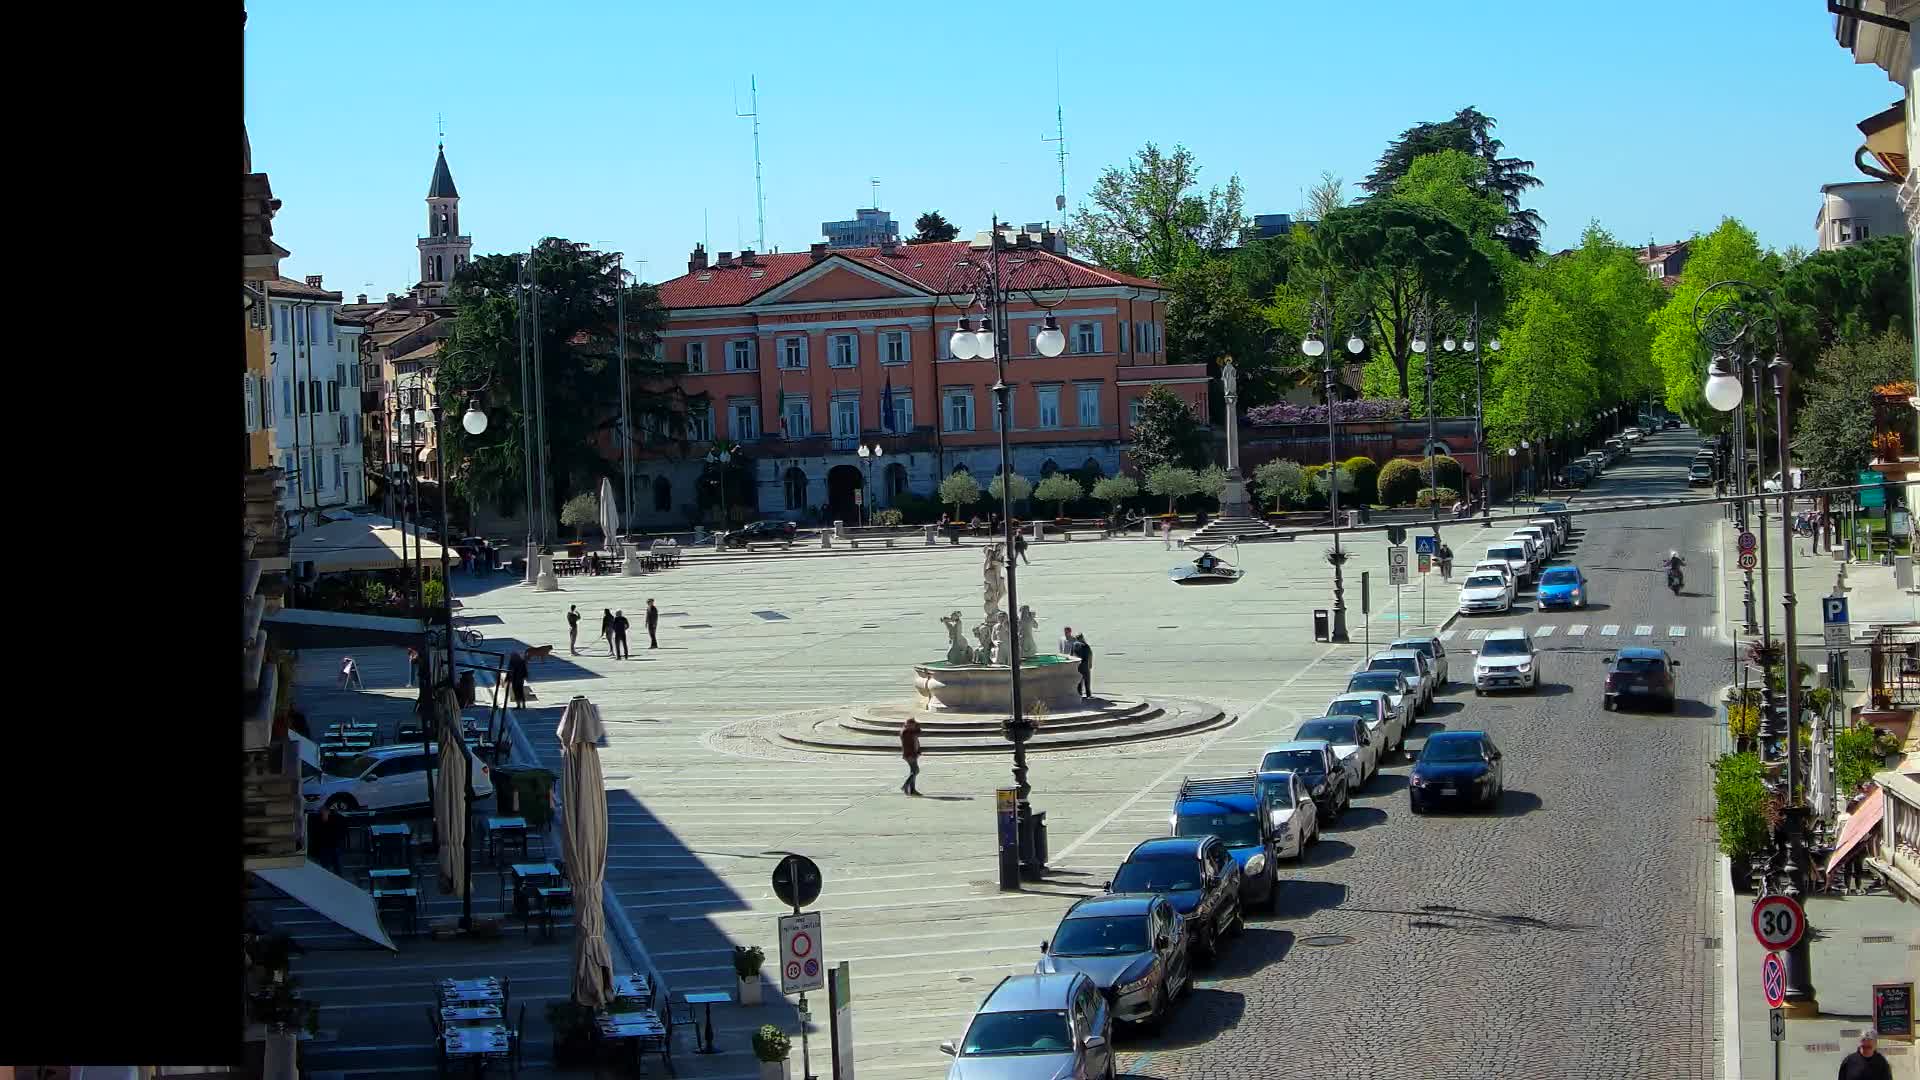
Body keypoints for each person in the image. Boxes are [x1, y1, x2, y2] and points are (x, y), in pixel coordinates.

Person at [309, 804, 345, 873]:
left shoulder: (335, 819)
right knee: (328, 867)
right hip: (326, 847)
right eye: (322, 813)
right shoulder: (319, 822)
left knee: (336, 866)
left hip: (332, 846)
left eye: (325, 812)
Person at [899, 715, 922, 796]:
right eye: (912, 724)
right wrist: (917, 726)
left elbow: (918, 733)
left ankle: (912, 790)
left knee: (913, 772)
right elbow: (918, 732)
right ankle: (905, 786)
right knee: (916, 771)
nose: (914, 726)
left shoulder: (909, 731)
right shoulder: (906, 732)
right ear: (908, 724)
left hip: (912, 754)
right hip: (909, 754)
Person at [1071, 632, 1093, 700]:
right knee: (1087, 680)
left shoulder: (1074, 645)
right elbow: (1090, 655)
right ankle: (1088, 694)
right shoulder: (1086, 646)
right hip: (1085, 665)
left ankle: (1079, 694)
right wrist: (1090, 664)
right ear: (1082, 638)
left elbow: (1071, 655)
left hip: (1077, 665)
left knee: (1079, 681)